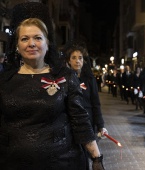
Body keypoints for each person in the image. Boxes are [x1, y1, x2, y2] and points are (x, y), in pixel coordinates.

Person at [0, 4, 105, 170]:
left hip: (61, 163)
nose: (31, 43)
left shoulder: (66, 77)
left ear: (47, 44)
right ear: (17, 46)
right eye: (25, 39)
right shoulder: (4, 80)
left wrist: (96, 157)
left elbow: (80, 120)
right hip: (13, 163)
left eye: (38, 38)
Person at [63, 40, 107, 169]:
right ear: (69, 61)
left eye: (80, 58)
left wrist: (101, 125)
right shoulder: (64, 79)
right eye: (74, 58)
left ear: (84, 61)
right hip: (70, 123)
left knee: (87, 154)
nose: (77, 61)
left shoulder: (90, 79)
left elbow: (96, 103)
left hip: (88, 122)